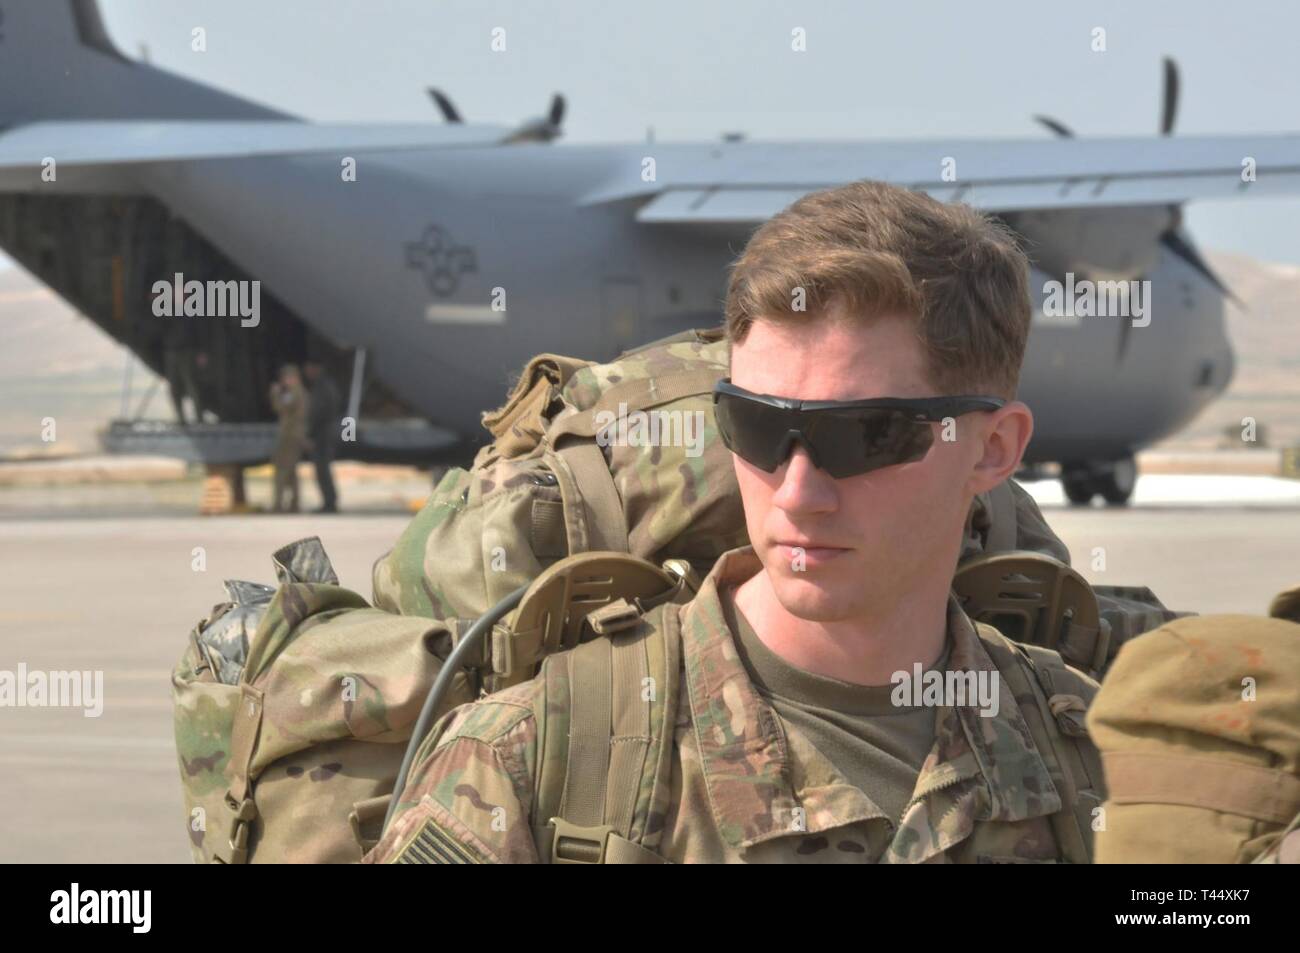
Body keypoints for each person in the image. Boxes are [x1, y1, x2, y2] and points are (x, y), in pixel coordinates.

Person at [367, 180, 1104, 864]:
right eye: (755, 425)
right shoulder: (529, 764)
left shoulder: (1099, 761)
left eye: (867, 433)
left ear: (994, 447)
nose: (797, 491)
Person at [269, 364, 308, 513]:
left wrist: (275, 394)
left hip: (290, 437)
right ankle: (294, 503)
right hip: (293, 436)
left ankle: (279, 504)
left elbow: (280, 407)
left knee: (282, 470)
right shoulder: (297, 393)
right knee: (291, 471)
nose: (284, 382)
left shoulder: (294, 393)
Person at [303, 360, 342, 513]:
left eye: (309, 369)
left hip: (322, 436)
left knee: (322, 470)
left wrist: (310, 434)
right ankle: (329, 501)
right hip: (325, 433)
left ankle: (329, 503)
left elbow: (318, 413)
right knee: (323, 469)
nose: (307, 372)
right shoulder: (326, 386)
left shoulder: (322, 387)